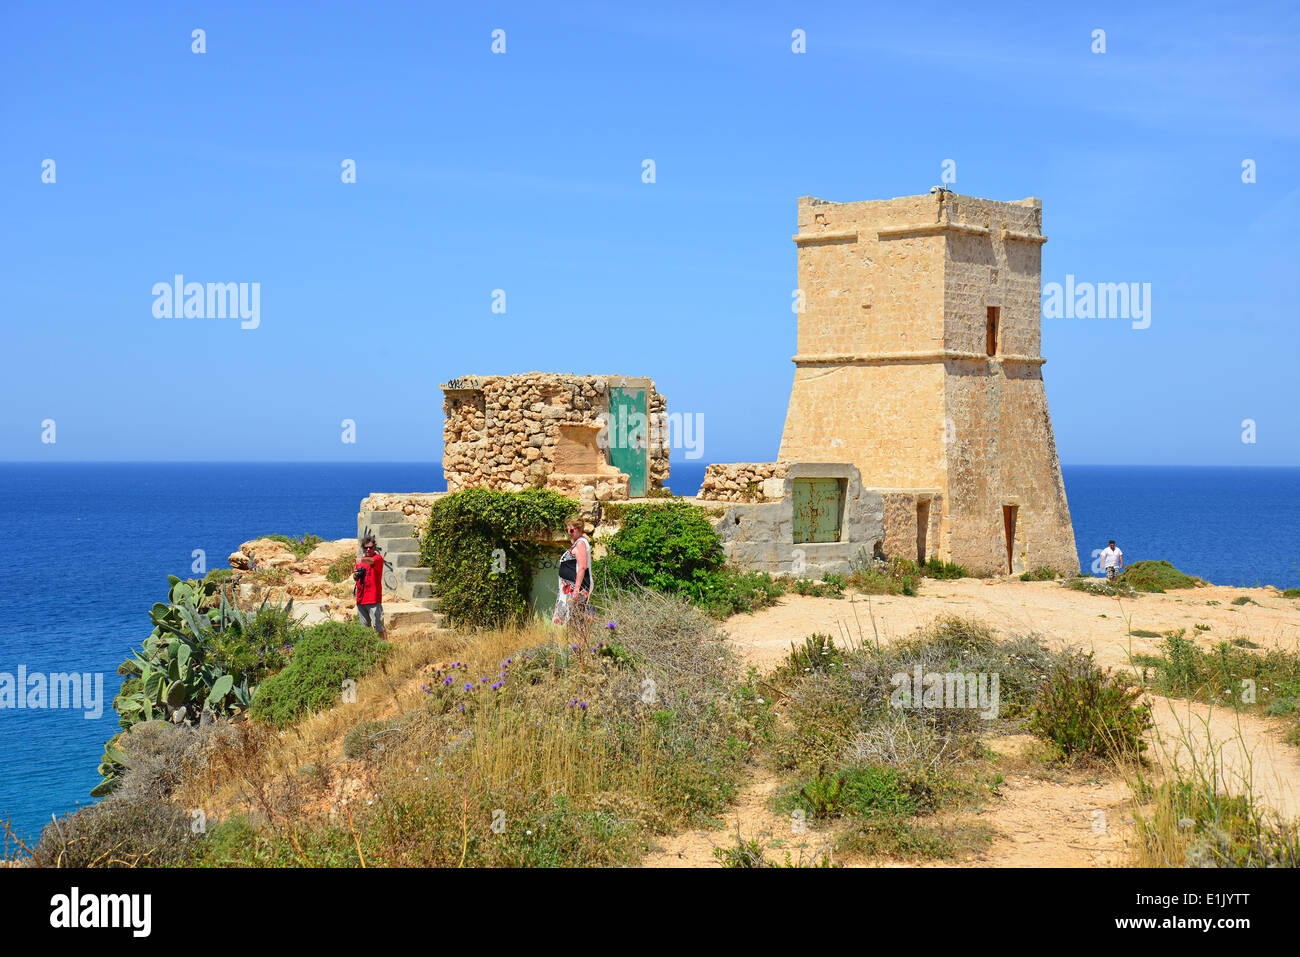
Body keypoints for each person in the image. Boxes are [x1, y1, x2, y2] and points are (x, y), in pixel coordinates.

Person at [553, 518, 594, 640]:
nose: (569, 532)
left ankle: (581, 646)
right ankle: (577, 645)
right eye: (567, 530)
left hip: (578, 587)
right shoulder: (578, 543)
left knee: (577, 617)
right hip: (571, 587)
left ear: (580, 529)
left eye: (572, 530)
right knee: (574, 618)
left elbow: (582, 567)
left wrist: (576, 589)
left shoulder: (581, 543)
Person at [354, 534, 386, 638]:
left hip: (373, 599)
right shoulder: (360, 562)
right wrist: (355, 575)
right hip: (361, 599)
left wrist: (361, 560)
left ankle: (384, 648)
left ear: (374, 548)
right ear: (363, 548)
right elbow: (355, 578)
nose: (368, 549)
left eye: (370, 547)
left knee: (378, 627)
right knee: (364, 630)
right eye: (365, 547)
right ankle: (367, 651)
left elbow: (371, 561)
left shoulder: (377, 558)